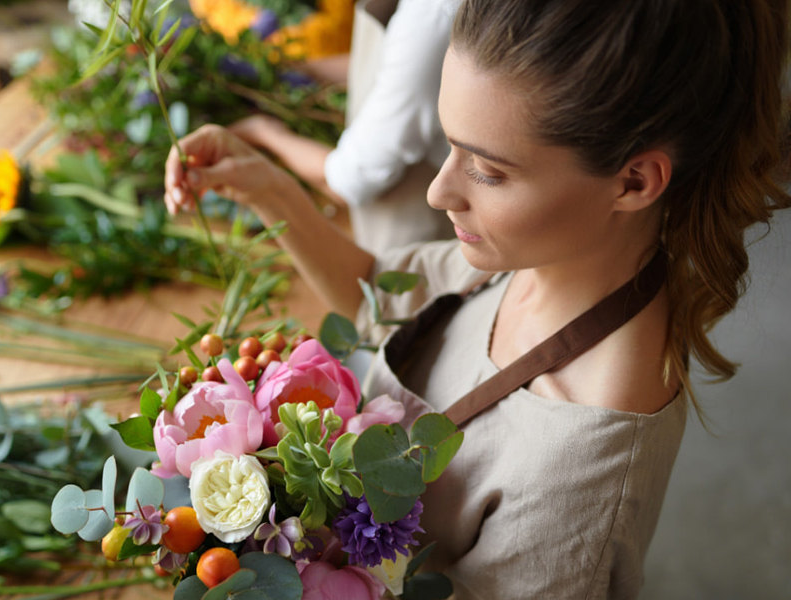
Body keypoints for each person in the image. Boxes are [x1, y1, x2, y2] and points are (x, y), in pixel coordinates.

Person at [163, 0, 791, 596]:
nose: (439, 192)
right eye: (450, 146)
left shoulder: (578, 469)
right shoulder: (543, 261)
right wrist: (265, 184)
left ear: (633, 181)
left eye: (489, 172)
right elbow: (379, 293)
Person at [229, 0, 458, 253]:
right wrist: (300, 68)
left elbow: (350, 179)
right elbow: (395, 64)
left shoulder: (434, 13)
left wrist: (265, 133)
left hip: (423, 243)